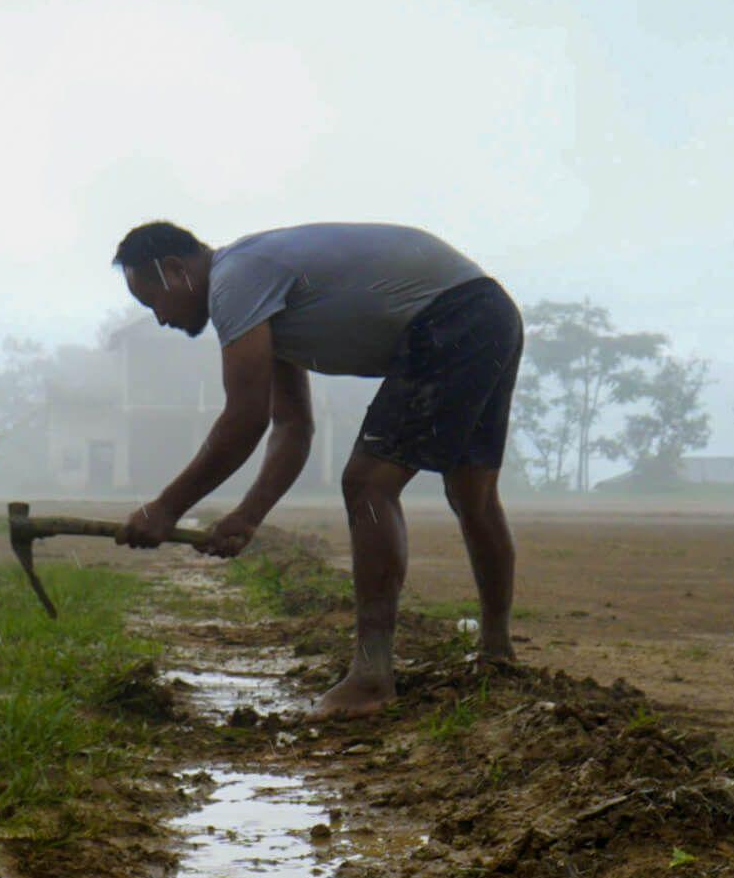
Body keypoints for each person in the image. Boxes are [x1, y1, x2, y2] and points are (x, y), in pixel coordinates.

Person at [111, 220, 523, 720]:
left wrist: (165, 508)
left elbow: (244, 419)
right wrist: (247, 515)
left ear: (176, 270)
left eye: (153, 300)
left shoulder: (233, 282)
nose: (158, 319)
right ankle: (497, 653)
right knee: (471, 494)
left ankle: (372, 678)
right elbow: (292, 427)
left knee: (368, 482)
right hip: (491, 314)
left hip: (453, 316)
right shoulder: (255, 291)